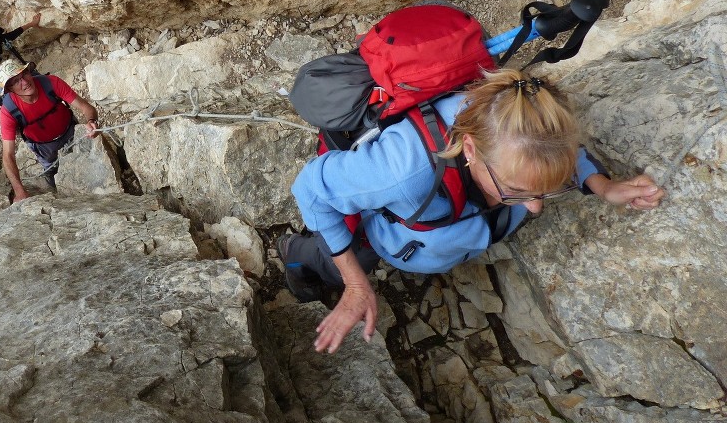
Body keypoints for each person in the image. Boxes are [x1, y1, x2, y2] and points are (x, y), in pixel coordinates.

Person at [282, 68, 665, 355]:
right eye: (515, 190)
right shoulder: (404, 172)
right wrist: (354, 283)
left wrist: (602, 185)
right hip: (381, 237)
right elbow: (311, 190)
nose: (534, 207)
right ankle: (294, 257)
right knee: (339, 261)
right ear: (469, 149)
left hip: (441, 232)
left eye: (547, 190)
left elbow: (553, 150)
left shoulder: (520, 121)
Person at [0, 60, 99, 201]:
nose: (25, 82)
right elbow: (8, 155)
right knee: (51, 168)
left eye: (24, 74)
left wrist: (91, 121)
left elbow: (86, 108)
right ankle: (55, 184)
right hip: (43, 146)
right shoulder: (8, 111)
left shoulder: (50, 83)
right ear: (9, 89)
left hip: (70, 131)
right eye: (16, 81)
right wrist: (19, 191)